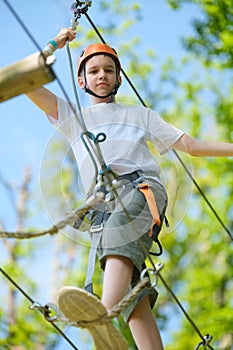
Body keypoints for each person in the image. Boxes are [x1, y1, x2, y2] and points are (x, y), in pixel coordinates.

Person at [26, 28, 233, 350]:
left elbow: (191, 146)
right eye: (93, 71)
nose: (102, 76)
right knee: (124, 281)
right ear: (81, 80)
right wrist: (55, 44)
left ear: (119, 77)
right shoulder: (72, 117)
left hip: (139, 188)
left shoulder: (139, 115)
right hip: (101, 204)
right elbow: (28, 81)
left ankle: (103, 316)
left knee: (118, 242)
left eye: (109, 70)